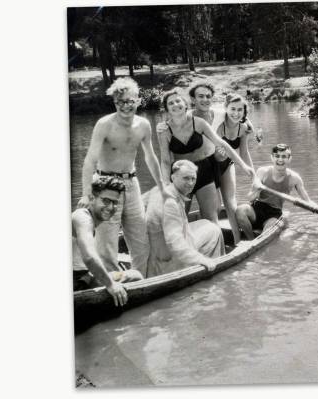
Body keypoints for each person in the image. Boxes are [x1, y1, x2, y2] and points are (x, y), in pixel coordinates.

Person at [78, 77, 170, 278]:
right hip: (105, 184)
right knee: (107, 241)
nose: (125, 106)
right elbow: (90, 160)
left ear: (138, 100)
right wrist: (87, 194)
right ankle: (111, 285)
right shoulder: (105, 124)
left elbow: (150, 157)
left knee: (140, 236)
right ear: (114, 103)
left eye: (130, 101)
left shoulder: (144, 125)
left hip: (131, 182)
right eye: (120, 102)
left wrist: (162, 188)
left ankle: (142, 280)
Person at [156, 88, 258, 228]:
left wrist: (244, 165)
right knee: (178, 218)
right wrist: (166, 185)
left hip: (204, 172)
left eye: (178, 100)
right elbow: (165, 161)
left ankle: (219, 249)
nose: (175, 104)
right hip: (181, 174)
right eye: (170, 103)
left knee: (212, 219)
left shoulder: (198, 123)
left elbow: (222, 143)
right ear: (166, 108)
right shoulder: (164, 130)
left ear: (185, 103)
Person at [144, 160, 226, 277]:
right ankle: (214, 268)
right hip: (168, 261)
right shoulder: (170, 203)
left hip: (156, 253)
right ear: (173, 177)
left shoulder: (158, 190)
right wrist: (202, 260)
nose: (190, 183)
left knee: (205, 222)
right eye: (186, 178)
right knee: (215, 229)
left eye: (193, 179)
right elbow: (175, 244)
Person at [73, 177, 143, 306]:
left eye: (115, 202)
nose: (111, 207)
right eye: (105, 201)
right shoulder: (83, 217)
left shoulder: (90, 220)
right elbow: (89, 257)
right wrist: (111, 285)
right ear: (92, 198)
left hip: (81, 277)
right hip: (75, 284)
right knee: (136, 276)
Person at [236, 144, 314, 239]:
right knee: (240, 210)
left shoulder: (295, 178)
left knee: (267, 231)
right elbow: (250, 198)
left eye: (284, 157)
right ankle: (251, 240)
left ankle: (260, 240)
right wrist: (257, 190)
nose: (280, 160)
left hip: (274, 214)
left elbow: (307, 201)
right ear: (272, 158)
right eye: (277, 156)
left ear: (289, 159)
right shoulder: (262, 172)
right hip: (257, 209)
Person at [214, 94, 260, 244]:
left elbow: (244, 152)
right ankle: (216, 242)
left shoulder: (243, 128)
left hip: (227, 165)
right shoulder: (219, 126)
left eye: (240, 109)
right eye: (232, 109)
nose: (236, 113)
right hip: (211, 166)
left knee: (231, 202)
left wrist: (253, 176)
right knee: (215, 205)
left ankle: (237, 240)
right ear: (226, 109)